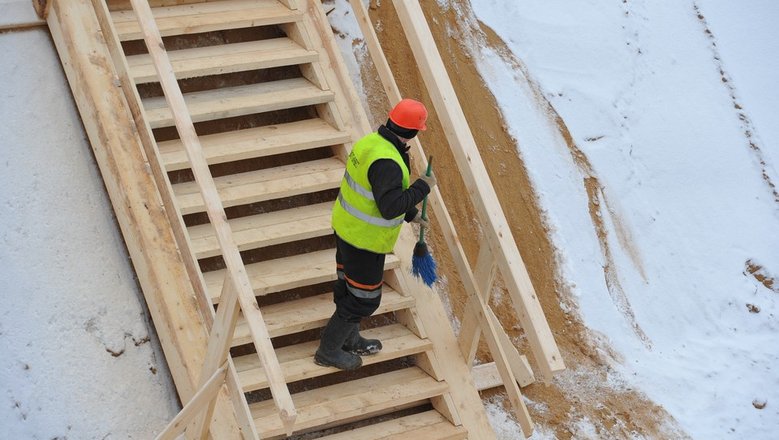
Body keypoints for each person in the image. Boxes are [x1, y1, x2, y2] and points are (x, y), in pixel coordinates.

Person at [315, 99, 437, 371]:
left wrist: (410, 214)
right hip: (364, 242)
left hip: (347, 229)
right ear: (414, 132)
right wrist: (421, 187)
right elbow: (388, 205)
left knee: (348, 288)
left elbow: (374, 193)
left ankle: (349, 339)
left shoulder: (371, 143)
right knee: (362, 299)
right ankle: (328, 350)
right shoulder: (389, 161)